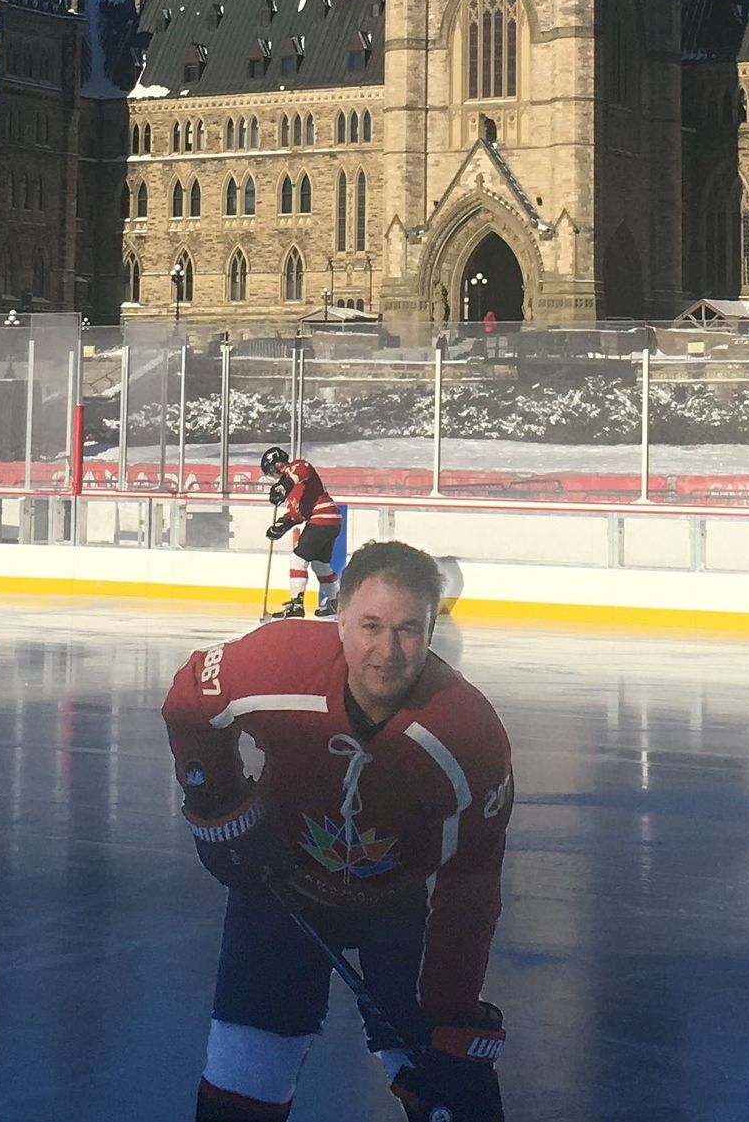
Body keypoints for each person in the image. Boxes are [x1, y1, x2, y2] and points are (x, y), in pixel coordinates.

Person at [163, 540, 513, 1122]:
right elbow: (192, 696)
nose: (387, 651)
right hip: (280, 888)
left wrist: (447, 1011)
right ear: (340, 621)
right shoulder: (279, 661)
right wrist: (215, 803)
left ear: (431, 631)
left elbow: (470, 885)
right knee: (240, 1091)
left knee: (454, 1096)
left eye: (408, 630)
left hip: (398, 909)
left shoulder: (469, 736)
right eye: (370, 626)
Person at [260, 446, 342, 619]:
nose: (273, 476)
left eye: (271, 471)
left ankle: (296, 604)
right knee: (320, 565)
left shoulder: (296, 467)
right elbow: (298, 514)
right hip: (330, 521)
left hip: (322, 517)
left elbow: (302, 470)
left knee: (297, 559)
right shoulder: (292, 493)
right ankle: (336, 601)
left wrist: (283, 486)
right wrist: (280, 526)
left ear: (277, 465)